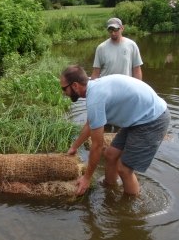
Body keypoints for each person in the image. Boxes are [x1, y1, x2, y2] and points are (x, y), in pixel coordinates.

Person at [60, 65, 170, 196]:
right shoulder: (93, 86)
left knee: (124, 170)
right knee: (111, 154)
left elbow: (97, 146)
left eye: (64, 89)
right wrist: (74, 147)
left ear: (75, 86)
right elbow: (90, 124)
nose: (63, 93)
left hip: (152, 119)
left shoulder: (95, 99)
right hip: (138, 117)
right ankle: (110, 187)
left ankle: (129, 208)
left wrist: (86, 178)